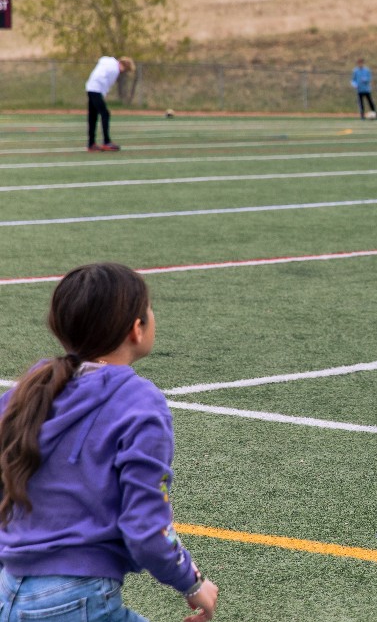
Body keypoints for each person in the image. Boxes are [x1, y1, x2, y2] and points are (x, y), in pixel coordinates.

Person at [0, 263, 219, 622]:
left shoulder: (25, 393)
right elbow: (145, 527)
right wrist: (192, 582)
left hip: (10, 592)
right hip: (77, 600)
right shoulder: (140, 402)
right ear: (137, 329)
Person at [84, 56, 134, 152]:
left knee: (93, 116)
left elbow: (101, 60)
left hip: (90, 87)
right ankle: (106, 142)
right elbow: (107, 83)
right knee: (105, 114)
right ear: (123, 66)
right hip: (96, 89)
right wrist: (103, 94)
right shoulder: (115, 70)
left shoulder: (108, 61)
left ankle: (91, 143)